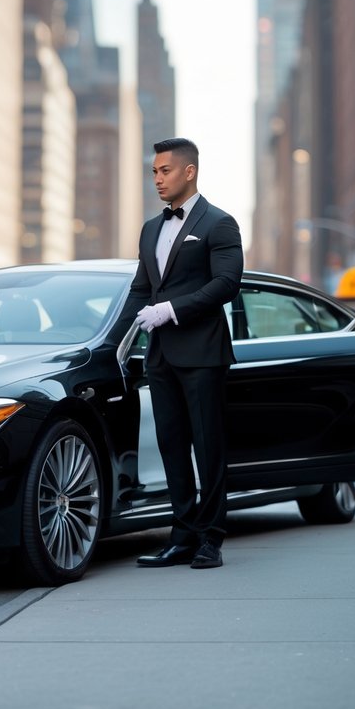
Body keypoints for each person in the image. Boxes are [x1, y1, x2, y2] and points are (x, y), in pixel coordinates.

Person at [126, 137, 243, 569]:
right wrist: (115, 339)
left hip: (203, 354)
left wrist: (172, 309)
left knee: (208, 448)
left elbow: (226, 285)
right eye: (154, 171)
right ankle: (182, 535)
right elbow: (141, 289)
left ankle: (211, 538)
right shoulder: (150, 229)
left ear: (188, 172)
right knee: (172, 446)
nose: (157, 178)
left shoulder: (220, 223)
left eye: (165, 171)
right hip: (161, 358)